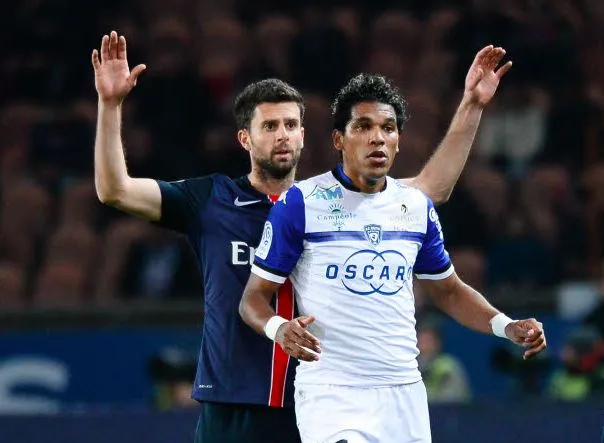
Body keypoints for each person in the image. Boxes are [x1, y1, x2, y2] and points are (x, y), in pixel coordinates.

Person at [92, 29, 509, 443]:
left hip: (313, 401)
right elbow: (115, 190)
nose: (282, 135)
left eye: (291, 124)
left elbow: (431, 188)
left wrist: (471, 105)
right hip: (233, 399)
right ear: (245, 138)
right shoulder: (210, 200)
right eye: (270, 125)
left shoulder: (326, 203)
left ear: (304, 135)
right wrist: (110, 105)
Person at [239, 73, 547, 443]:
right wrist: (278, 328)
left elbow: (449, 291)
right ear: (338, 139)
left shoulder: (414, 207)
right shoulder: (301, 203)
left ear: (398, 141)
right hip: (332, 393)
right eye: (363, 127)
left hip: (404, 393)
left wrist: (506, 326)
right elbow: (252, 299)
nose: (377, 138)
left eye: (388, 128)